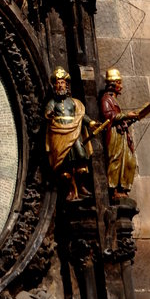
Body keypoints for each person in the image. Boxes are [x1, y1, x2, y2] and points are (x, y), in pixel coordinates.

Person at [44, 67, 94, 201]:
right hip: (59, 134)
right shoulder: (52, 103)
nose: (60, 85)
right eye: (58, 83)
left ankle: (81, 186)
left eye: (62, 83)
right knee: (65, 166)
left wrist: (91, 123)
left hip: (74, 132)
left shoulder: (73, 102)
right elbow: (47, 114)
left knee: (81, 157)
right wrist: (49, 115)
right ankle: (71, 189)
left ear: (67, 85)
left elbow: (81, 115)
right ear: (54, 86)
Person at [99, 68, 150, 196]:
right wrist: (126, 115)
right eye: (119, 83)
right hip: (114, 134)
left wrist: (132, 119)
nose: (121, 86)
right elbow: (109, 116)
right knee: (116, 160)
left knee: (129, 161)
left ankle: (123, 187)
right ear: (112, 84)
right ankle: (113, 189)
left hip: (122, 133)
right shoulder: (106, 99)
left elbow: (119, 117)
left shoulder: (114, 99)